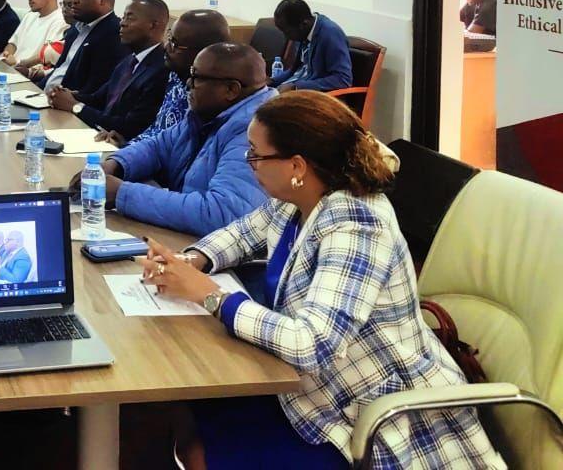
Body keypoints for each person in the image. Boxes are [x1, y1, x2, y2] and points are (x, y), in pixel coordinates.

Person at [142, 92, 504, 469]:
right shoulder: (303, 193)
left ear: (296, 164)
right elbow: (245, 233)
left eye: (256, 154)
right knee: (180, 406)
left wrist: (213, 297)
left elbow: (313, 344)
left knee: (198, 445)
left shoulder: (357, 225)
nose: (249, 162)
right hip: (309, 388)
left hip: (366, 415)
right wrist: (191, 261)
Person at [80, 43, 275, 237]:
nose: (188, 83)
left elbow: (222, 213)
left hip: (215, 249)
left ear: (231, 90)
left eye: (197, 77)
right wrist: (115, 165)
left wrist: (122, 193)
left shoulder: (255, 131)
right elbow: (158, 146)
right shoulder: (208, 113)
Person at [96, 9, 231, 148]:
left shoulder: (209, 97)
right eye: (169, 38)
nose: (166, 46)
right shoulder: (174, 75)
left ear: (204, 53)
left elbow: (178, 152)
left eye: (175, 44)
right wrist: (126, 144)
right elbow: (157, 131)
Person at [49, 0, 170, 140]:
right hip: (98, 135)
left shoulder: (161, 70)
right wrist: (66, 95)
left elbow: (131, 127)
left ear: (153, 25)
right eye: (123, 17)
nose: (122, 23)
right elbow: (98, 99)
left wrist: (75, 106)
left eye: (130, 18)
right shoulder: (129, 60)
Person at [41, 0, 127, 97]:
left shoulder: (114, 34)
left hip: (67, 105)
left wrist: (69, 101)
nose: (74, 0)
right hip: (43, 97)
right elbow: (59, 69)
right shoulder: (75, 28)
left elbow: (95, 91)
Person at [269, 0, 352, 92]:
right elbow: (295, 70)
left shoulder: (331, 34)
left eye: (287, 32)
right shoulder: (303, 33)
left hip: (317, 95)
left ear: (303, 24)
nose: (286, 37)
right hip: (299, 89)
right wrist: (272, 81)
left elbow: (343, 79)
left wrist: (296, 87)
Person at [1, 0, 69, 66]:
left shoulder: (61, 20)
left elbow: (47, 55)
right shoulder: (30, 15)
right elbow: (13, 43)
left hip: (28, 70)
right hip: (11, 66)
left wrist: (18, 63)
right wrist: (7, 54)